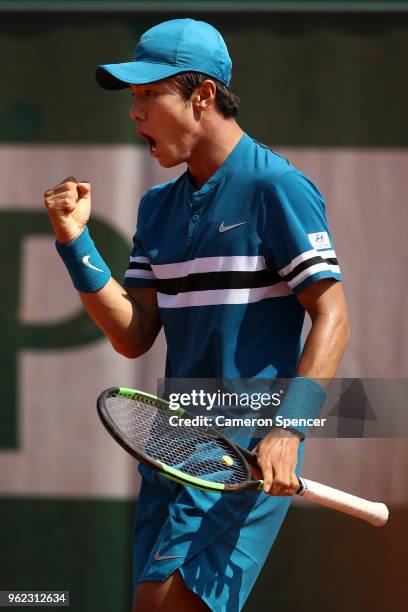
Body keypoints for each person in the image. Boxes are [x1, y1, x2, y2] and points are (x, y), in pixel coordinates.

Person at [44, 18, 350, 612]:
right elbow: (134, 335)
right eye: (133, 99)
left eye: (148, 96)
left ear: (202, 96)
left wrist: (288, 430)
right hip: (174, 446)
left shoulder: (276, 187)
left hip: (243, 451)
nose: (135, 114)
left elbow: (332, 312)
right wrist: (75, 243)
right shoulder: (157, 208)